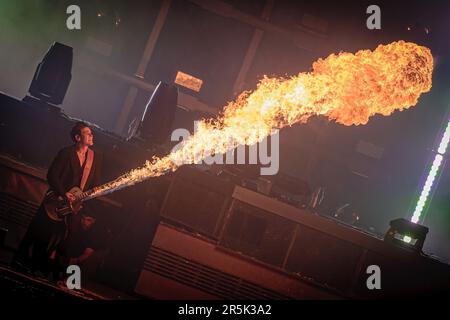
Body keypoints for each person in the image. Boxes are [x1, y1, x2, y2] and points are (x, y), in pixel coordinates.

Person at [13, 121, 102, 276]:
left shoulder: (94, 158)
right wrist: (63, 193)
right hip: (55, 202)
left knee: (57, 238)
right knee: (38, 232)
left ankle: (39, 266)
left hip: (73, 206)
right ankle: (20, 261)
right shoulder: (66, 153)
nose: (91, 135)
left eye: (91, 133)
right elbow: (52, 175)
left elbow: (94, 183)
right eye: (87, 133)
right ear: (77, 137)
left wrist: (93, 193)